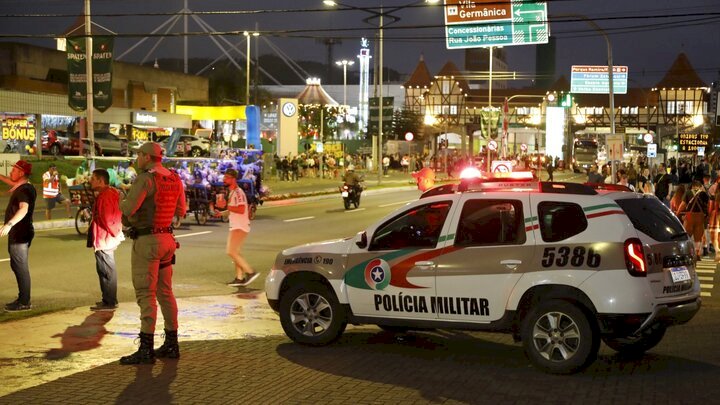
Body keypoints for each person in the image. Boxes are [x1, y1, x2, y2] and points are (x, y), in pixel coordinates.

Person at [119, 142, 186, 364]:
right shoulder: (174, 178)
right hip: (167, 239)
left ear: (147, 157)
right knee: (165, 292)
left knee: (146, 294)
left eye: (138, 155)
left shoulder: (146, 179)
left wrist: (121, 199)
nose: (137, 159)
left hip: (147, 242)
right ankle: (171, 343)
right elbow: (181, 210)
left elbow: (128, 209)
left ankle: (146, 348)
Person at [0, 160, 36, 311]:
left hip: (20, 234)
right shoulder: (25, 186)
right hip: (20, 232)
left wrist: (9, 224)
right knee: (17, 266)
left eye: (14, 170)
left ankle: (24, 302)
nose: (10, 173)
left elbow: (23, 209)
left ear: (21, 173)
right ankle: (22, 299)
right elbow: (9, 180)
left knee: (20, 267)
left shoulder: (23, 190)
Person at [88, 169, 125, 311]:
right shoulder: (110, 193)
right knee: (105, 269)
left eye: (93, 178)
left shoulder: (105, 196)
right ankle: (108, 299)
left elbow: (108, 218)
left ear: (101, 181)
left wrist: (114, 233)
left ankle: (109, 301)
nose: (91, 181)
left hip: (105, 238)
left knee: (106, 270)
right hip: (107, 237)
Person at [223, 169, 259, 287]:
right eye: (224, 177)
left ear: (233, 179)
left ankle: (250, 272)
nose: (224, 179)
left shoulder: (238, 192)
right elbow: (233, 208)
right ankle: (239, 278)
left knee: (231, 251)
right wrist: (222, 212)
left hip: (240, 226)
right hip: (236, 225)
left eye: (227, 177)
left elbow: (241, 209)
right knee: (236, 253)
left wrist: (226, 206)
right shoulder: (232, 192)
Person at [682, 180, 709, 260]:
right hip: (700, 218)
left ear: (692, 186)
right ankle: (697, 254)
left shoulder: (688, 193)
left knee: (687, 236)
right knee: (698, 238)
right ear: (700, 186)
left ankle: (687, 253)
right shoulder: (704, 194)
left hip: (690, 217)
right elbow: (707, 205)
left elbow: (683, 204)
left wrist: (678, 213)